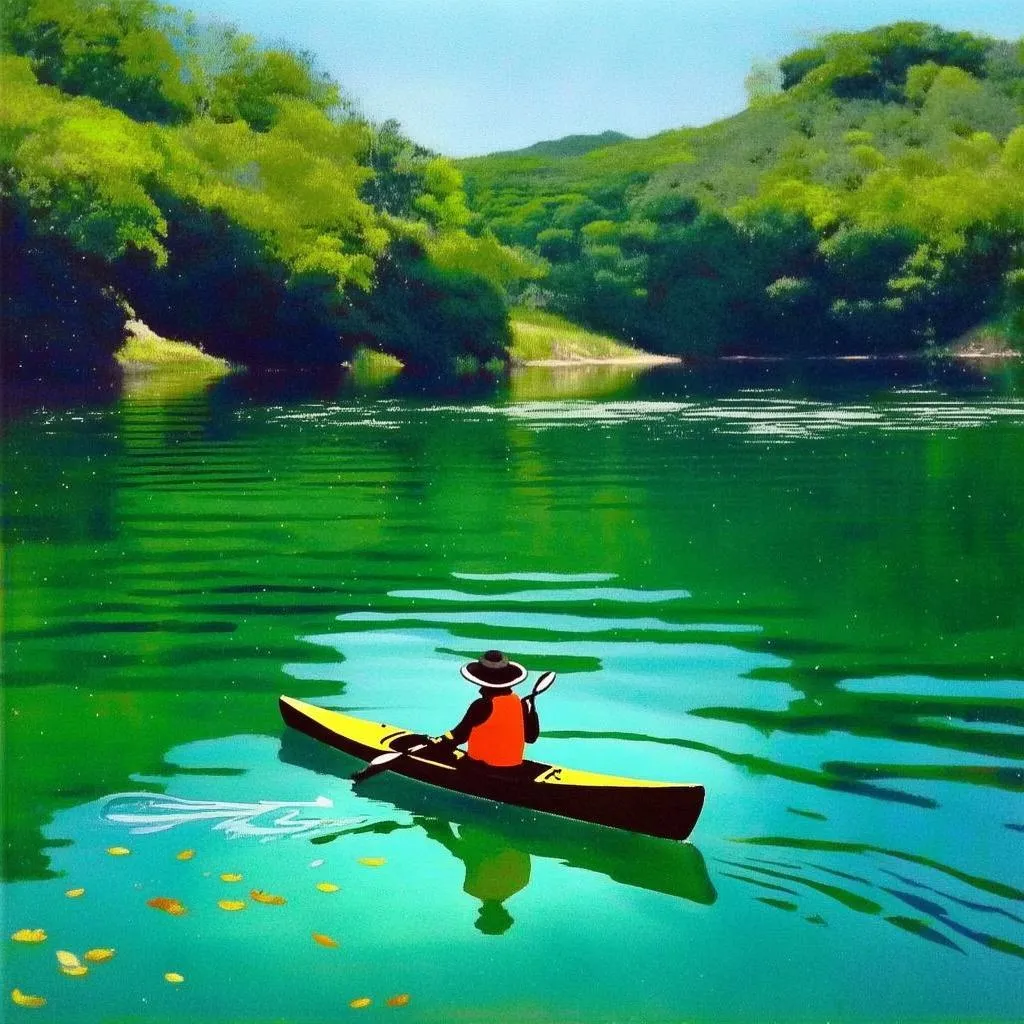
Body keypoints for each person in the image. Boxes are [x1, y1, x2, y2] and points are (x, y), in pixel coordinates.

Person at [409, 650, 540, 768]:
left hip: (482, 768)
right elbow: (531, 738)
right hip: (514, 765)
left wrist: (436, 744)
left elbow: (459, 736)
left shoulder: (482, 705)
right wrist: (532, 711)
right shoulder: (520, 703)